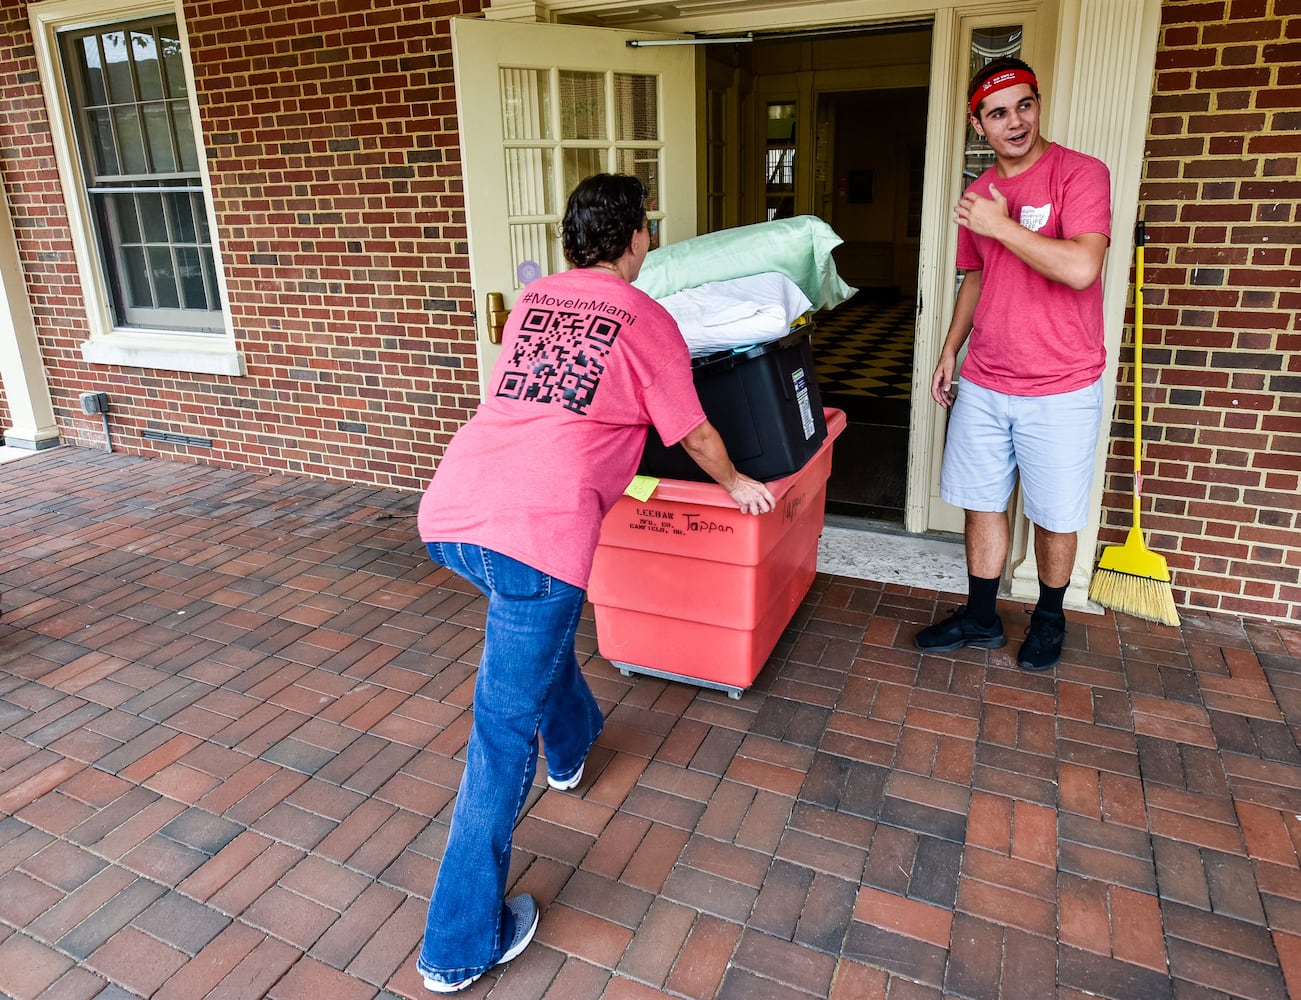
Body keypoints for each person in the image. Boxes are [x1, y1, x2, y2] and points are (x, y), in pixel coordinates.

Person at [413, 173, 776, 993]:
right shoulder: (645, 316)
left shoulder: (534, 301)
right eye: (647, 231)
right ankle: (459, 944)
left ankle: (572, 752)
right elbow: (690, 428)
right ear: (635, 238)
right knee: (500, 738)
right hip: (535, 538)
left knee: (530, 632)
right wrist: (737, 486)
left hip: (454, 515)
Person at [915, 57, 1112, 671]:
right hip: (985, 377)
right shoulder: (978, 196)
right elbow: (975, 277)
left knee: (1053, 513)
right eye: (998, 113)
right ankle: (980, 619)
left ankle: (1049, 618)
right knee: (982, 502)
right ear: (979, 126)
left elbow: (1082, 267)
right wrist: (951, 349)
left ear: (1038, 102)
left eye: (1024, 105)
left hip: (1060, 383)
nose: (1015, 121)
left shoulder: (1080, 174)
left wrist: (1001, 225)